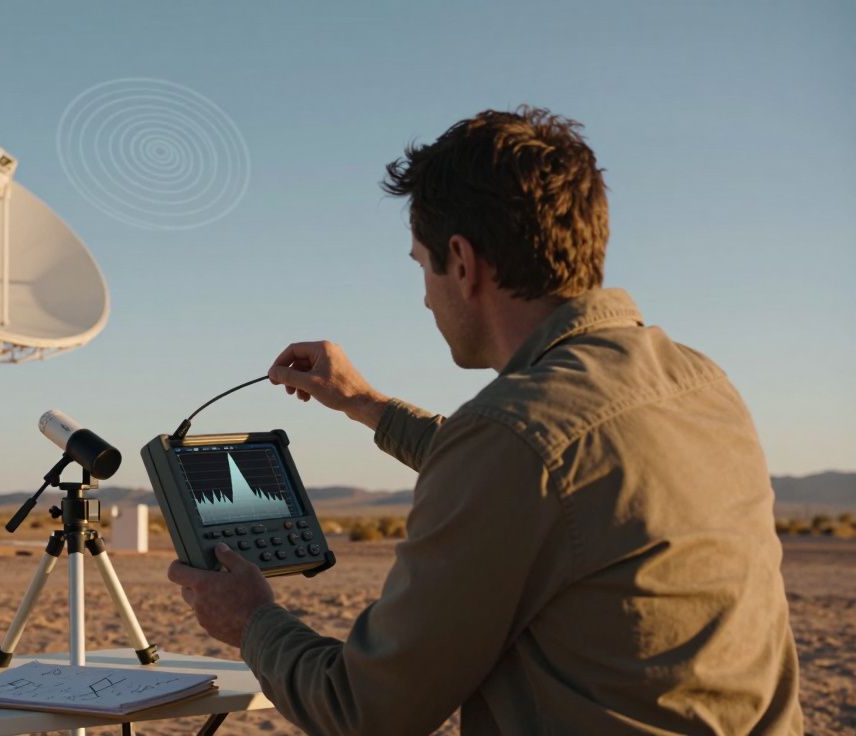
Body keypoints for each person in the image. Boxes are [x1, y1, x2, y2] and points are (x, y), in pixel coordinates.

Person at [166, 106, 802, 735]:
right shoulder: (696, 381)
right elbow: (542, 473)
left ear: (464, 264)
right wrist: (365, 402)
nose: (424, 295)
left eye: (422, 265)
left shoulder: (515, 434)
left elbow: (362, 709)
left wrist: (251, 619)